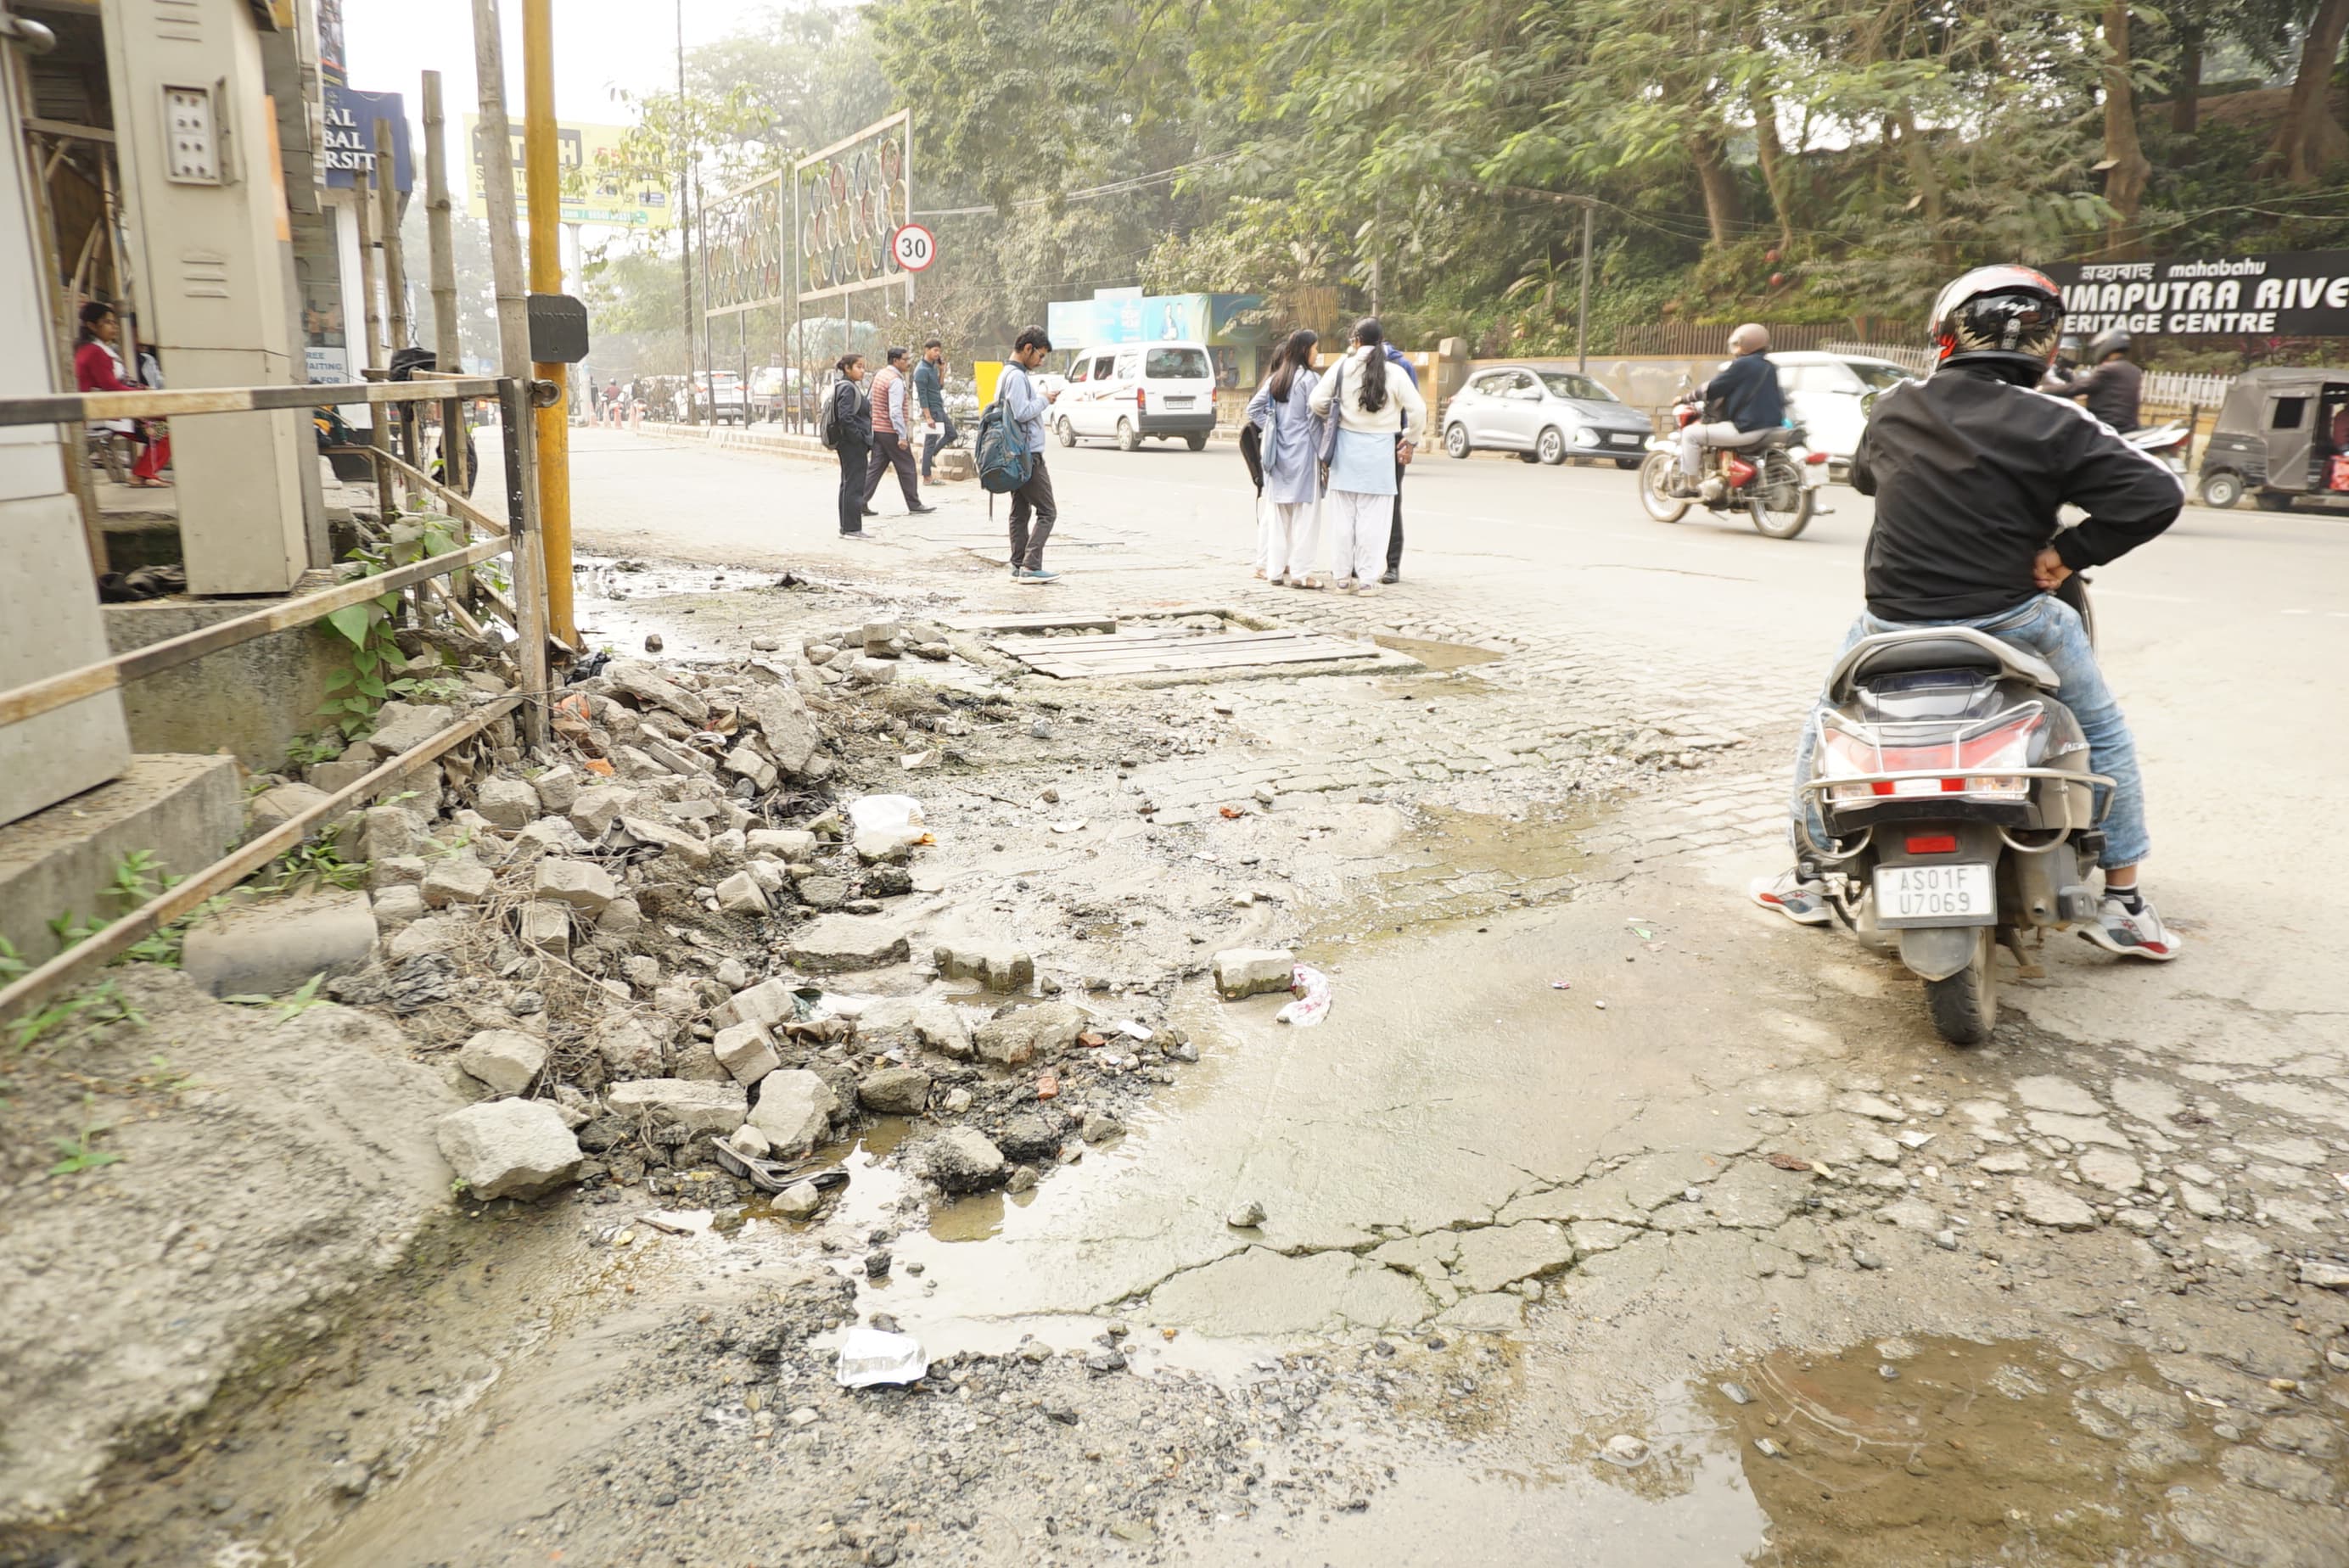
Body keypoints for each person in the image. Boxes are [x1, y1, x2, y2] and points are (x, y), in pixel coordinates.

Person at [1751, 264, 2186, 960]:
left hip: (1890, 623)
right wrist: (2072, 550)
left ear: (1946, 334)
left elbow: (1865, 475)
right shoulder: (2056, 420)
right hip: (2013, 618)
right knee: (2102, 726)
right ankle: (2125, 902)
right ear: (2046, 343)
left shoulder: (1895, 405)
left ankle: (1808, 871)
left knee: (1826, 719)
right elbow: (2158, 495)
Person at [1309, 317, 1424, 595]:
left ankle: (1342, 579)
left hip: (1345, 453)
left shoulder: (1341, 368)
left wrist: (1336, 415)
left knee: (1342, 520)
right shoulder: (1395, 373)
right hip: (1380, 454)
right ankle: (1368, 581)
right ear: (1381, 340)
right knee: (1374, 522)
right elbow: (1419, 411)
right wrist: (1410, 439)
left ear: (1356, 340)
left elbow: (1316, 402)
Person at [1244, 328, 1324, 587]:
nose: (1317, 353)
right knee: (1305, 516)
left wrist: (1270, 427)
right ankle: (1301, 575)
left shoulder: (1276, 380)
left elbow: (1253, 409)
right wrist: (1325, 452)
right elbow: (1315, 421)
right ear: (1304, 350)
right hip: (1304, 456)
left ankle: (1275, 572)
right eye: (1315, 348)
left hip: (1277, 454)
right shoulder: (1310, 381)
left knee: (1278, 517)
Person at [1674, 322, 1783, 498]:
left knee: (1690, 434)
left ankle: (1691, 487)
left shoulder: (1743, 364)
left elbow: (1714, 388)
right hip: (1770, 427)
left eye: (1739, 343)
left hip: (1747, 427)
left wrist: (1685, 398)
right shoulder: (1769, 367)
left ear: (1746, 343)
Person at [73, 301, 166, 487]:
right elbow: (111, 386)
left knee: (165, 420)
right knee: (167, 428)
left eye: (114, 322)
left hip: (111, 406)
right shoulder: (95, 352)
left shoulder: (97, 350)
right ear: (92, 326)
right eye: (107, 322)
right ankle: (144, 474)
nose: (114, 327)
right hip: (106, 411)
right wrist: (141, 392)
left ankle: (144, 473)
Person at [995, 326, 1062, 582]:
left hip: (1013, 451)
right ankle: (1031, 566)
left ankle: (1018, 563)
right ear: (1027, 349)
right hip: (1027, 454)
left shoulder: (1005, 374)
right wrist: (1045, 399)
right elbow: (1022, 412)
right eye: (1040, 356)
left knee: (1020, 511)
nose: (1041, 361)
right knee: (1048, 511)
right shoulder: (1017, 377)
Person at [862, 346, 933, 516]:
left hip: (878, 429)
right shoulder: (895, 380)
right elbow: (895, 411)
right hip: (891, 431)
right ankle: (914, 503)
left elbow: (870, 400)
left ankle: (860, 500)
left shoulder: (880, 375)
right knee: (907, 466)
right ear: (896, 361)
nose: (908, 363)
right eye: (905, 360)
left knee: (876, 467)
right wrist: (902, 435)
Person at [1378, 337, 1418, 584]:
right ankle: (1355, 562)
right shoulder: (1355, 366)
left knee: (1392, 501)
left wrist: (1409, 441)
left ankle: (1392, 565)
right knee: (1362, 502)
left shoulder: (1402, 366)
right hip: (1366, 439)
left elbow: (1414, 407)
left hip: (1394, 439)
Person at [2051, 328, 2143, 433]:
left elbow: (2078, 387)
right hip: (2129, 427)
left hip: (2107, 427)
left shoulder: (2108, 369)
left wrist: (2043, 389)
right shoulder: (2134, 370)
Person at [827, 353, 875, 539]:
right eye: (859, 367)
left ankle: (846, 527)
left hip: (849, 443)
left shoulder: (845, 387)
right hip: (852, 445)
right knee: (854, 486)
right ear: (847, 368)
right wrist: (859, 438)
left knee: (848, 484)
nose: (862, 371)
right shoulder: (848, 389)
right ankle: (852, 528)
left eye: (863, 367)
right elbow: (845, 417)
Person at [914, 337, 956, 483]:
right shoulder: (921, 370)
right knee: (930, 441)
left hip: (939, 408)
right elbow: (922, 395)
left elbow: (939, 387)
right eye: (935, 350)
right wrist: (928, 416)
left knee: (952, 434)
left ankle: (930, 455)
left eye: (939, 350)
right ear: (927, 350)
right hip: (932, 410)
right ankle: (927, 477)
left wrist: (942, 371)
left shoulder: (932, 367)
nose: (938, 353)